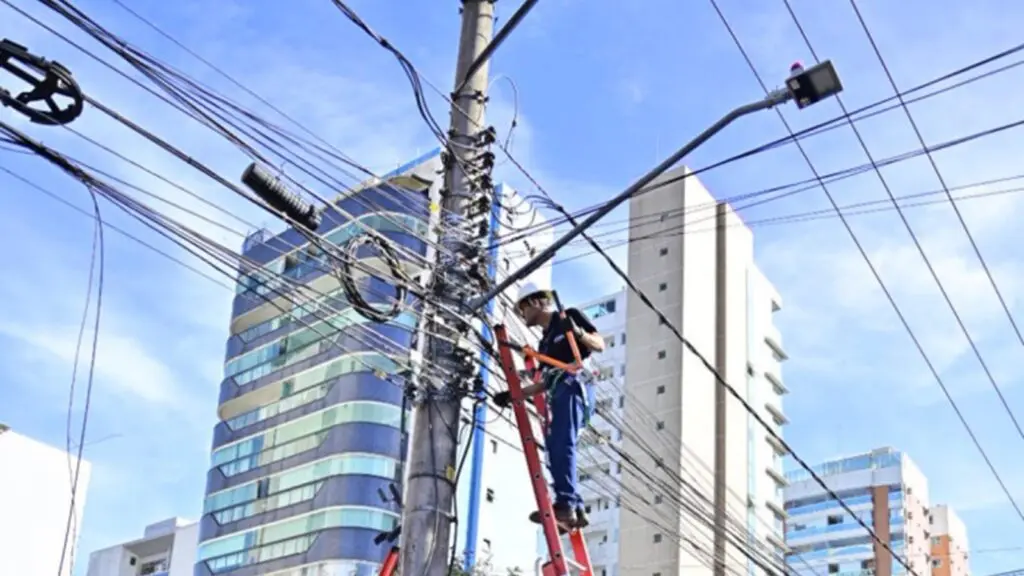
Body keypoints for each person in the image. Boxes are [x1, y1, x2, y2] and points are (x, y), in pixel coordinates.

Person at [493, 280, 605, 530]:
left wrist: (577, 333)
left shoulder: (569, 316)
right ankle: (573, 507)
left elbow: (599, 344)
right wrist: (513, 395)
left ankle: (566, 504)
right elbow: (544, 384)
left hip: (574, 384)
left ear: (534, 301)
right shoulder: (545, 343)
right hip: (559, 387)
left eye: (522, 309)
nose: (522, 316)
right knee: (555, 447)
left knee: (562, 443)